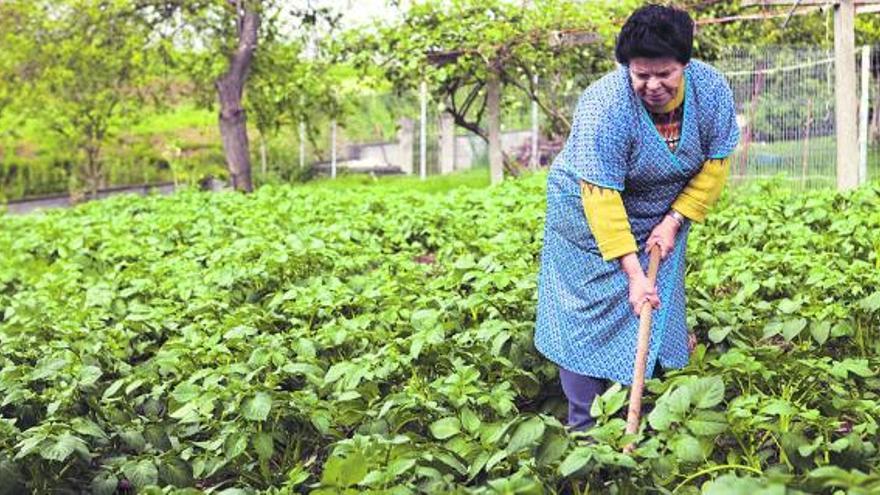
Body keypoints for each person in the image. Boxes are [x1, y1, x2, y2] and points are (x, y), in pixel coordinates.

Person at [534, 4, 739, 432]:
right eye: (640, 74)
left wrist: (674, 219)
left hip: (661, 215)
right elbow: (602, 197)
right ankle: (586, 425)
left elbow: (716, 162)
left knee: (654, 307)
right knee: (585, 317)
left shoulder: (711, 90)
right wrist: (632, 273)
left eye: (664, 73)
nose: (652, 85)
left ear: (685, 63)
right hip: (587, 215)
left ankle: (642, 410)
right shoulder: (604, 104)